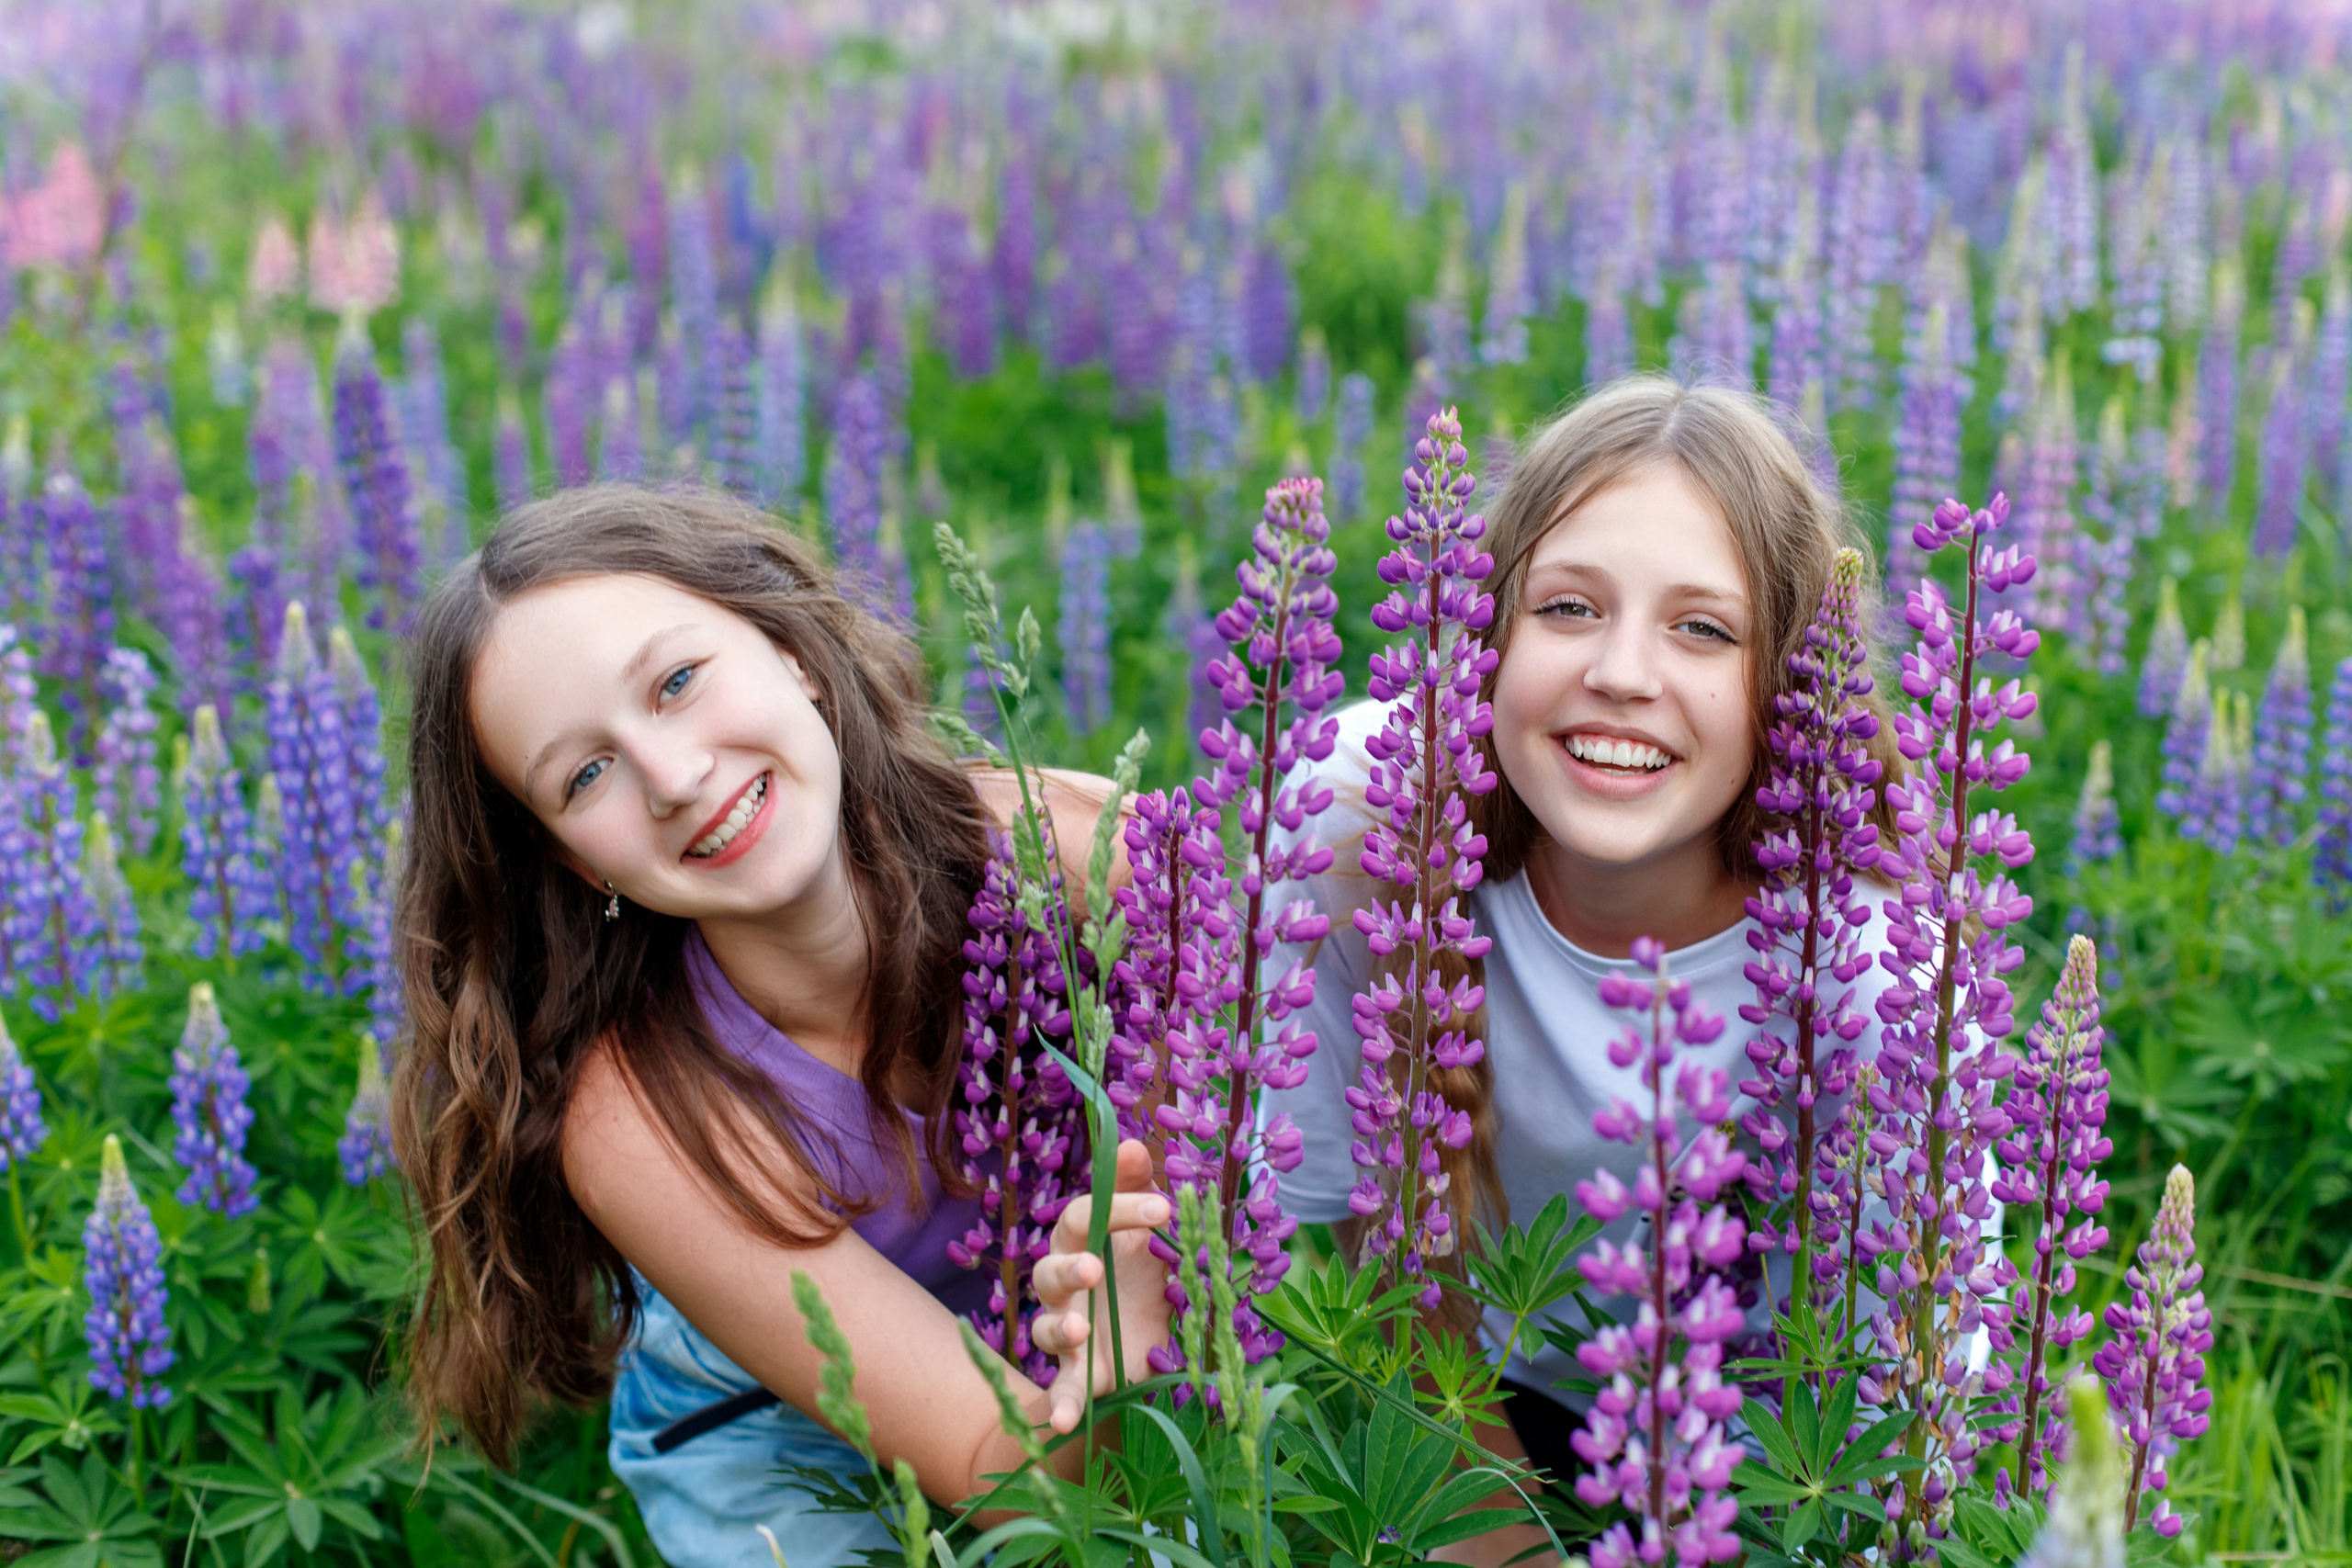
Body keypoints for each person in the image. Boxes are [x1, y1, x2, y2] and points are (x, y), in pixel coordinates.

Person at [390, 485, 1167, 1568]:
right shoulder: (643, 1116)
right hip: (761, 1417)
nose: (672, 777)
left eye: (675, 682)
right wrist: (1117, 1347)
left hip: (1055, 1314)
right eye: (586, 773)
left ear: (789, 646)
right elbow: (1024, 1483)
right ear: (575, 858)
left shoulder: (1070, 853)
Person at [1261, 375, 1909, 1562]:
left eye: (1702, 627)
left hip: (1786, 1464)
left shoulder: (1872, 982)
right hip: (1477, 1410)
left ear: (1786, 687)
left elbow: (1896, 1423)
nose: (1622, 670)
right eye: (1568, 607)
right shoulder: (1358, 823)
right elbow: (1398, 1306)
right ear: (1487, 632)